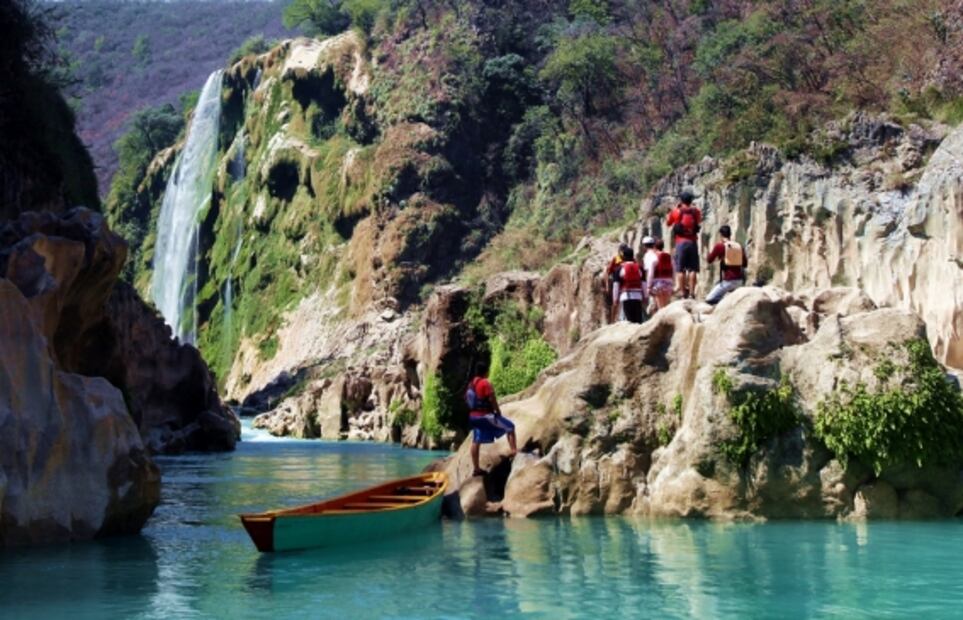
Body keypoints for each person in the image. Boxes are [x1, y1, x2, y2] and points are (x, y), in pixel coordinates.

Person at [466, 361, 517, 477]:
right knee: (510, 427)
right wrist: (497, 412)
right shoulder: (485, 383)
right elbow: (492, 399)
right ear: (486, 371)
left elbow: (468, 400)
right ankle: (514, 451)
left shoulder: (471, 384)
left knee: (476, 441)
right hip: (485, 416)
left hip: (473, 417)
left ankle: (476, 469)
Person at [665, 190, 703, 299]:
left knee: (680, 269)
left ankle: (682, 293)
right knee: (693, 269)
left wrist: (672, 211)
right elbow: (698, 222)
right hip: (692, 242)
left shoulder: (676, 211)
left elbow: (668, 223)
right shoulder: (696, 211)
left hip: (680, 242)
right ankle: (692, 293)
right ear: (691, 200)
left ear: (681, 200)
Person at [705, 225, 747, 305]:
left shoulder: (720, 246)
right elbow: (745, 264)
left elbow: (709, 260)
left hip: (728, 281)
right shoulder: (739, 246)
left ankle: (724, 304)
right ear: (730, 234)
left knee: (709, 299)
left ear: (720, 235)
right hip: (740, 280)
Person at [612, 246, 645, 323]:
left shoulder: (619, 269)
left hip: (625, 297)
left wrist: (615, 299)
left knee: (628, 321)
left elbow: (616, 286)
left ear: (623, 256)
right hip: (638, 297)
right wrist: (645, 296)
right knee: (638, 321)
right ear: (632, 256)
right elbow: (644, 284)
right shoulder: (639, 268)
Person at [604, 243, 631, 323]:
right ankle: (612, 321)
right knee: (615, 302)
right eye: (622, 250)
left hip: (626, 284)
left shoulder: (629, 258)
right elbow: (608, 272)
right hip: (616, 283)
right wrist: (607, 285)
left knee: (623, 302)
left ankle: (623, 318)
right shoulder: (616, 259)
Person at [646, 238, 675, 311]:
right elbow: (673, 270)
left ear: (654, 247)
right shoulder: (669, 256)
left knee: (660, 308)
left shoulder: (653, 256)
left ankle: (663, 321)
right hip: (668, 283)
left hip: (658, 283)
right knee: (666, 307)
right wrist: (673, 283)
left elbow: (651, 273)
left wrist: (649, 286)